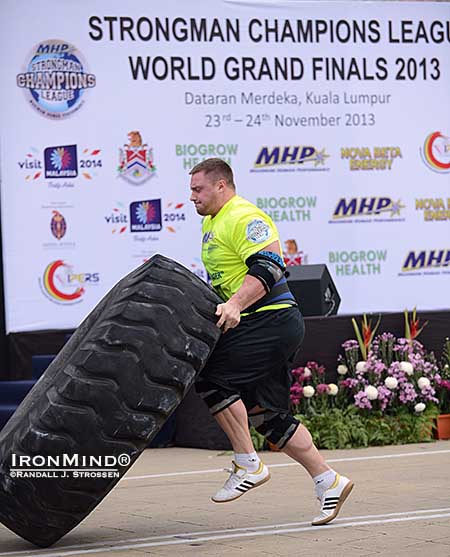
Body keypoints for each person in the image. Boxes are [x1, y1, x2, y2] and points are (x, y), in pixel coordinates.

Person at [189, 158, 353, 526]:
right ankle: (329, 481)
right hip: (262, 323)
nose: (192, 197)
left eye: (198, 189)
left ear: (221, 186)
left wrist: (234, 304)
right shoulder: (211, 222)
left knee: (212, 378)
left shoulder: (244, 215)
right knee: (267, 415)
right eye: (191, 190)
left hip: (271, 320)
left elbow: (270, 265)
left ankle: (248, 464)